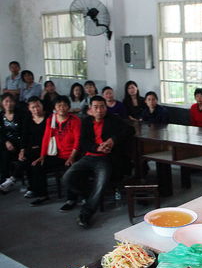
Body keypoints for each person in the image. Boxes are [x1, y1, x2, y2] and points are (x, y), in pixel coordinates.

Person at [63, 96, 134, 228]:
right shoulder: (85, 122)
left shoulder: (113, 119)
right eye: (96, 107)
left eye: (102, 107)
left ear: (106, 108)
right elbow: (83, 143)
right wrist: (97, 147)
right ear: (90, 109)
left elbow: (130, 130)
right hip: (89, 156)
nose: (99, 110)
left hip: (105, 158)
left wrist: (112, 140)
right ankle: (91, 196)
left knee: (100, 184)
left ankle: (86, 213)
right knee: (67, 178)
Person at [36, 95, 81, 208]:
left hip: (72, 155)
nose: (61, 108)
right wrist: (42, 156)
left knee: (69, 172)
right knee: (38, 165)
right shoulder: (51, 119)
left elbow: (78, 140)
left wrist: (72, 157)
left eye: (64, 105)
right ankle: (43, 195)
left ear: (69, 107)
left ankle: (71, 199)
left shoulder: (75, 120)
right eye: (59, 105)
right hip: (57, 154)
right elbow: (46, 138)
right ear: (55, 107)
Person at [18, 96, 48, 204]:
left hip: (47, 148)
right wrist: (22, 150)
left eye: (38, 106)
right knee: (25, 160)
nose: (36, 109)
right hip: (32, 148)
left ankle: (42, 193)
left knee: (36, 163)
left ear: (42, 106)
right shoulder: (28, 119)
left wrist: (39, 147)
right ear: (29, 108)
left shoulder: (49, 117)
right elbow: (24, 136)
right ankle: (32, 188)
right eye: (33, 107)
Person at [0, 93, 24, 192]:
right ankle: (4, 180)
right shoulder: (0, 116)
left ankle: (8, 181)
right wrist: (6, 142)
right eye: (6, 101)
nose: (9, 103)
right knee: (3, 153)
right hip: (7, 143)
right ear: (2, 103)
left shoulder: (21, 114)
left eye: (11, 101)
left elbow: (24, 132)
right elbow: (0, 133)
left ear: (14, 102)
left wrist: (22, 147)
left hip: (20, 143)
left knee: (23, 157)